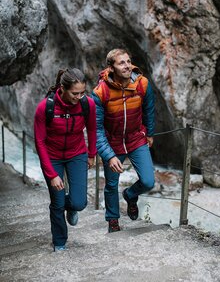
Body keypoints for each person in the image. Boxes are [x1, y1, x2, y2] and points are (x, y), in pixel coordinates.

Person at [92, 49, 155, 232]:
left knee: (149, 181)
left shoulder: (142, 84)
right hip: (113, 143)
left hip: (136, 138)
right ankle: (113, 220)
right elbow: (97, 129)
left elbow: (149, 110)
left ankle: (130, 194)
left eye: (128, 61)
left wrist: (149, 133)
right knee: (111, 184)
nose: (127, 65)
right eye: (121, 63)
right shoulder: (100, 92)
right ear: (111, 67)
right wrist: (109, 156)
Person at [34, 68, 97, 251]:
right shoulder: (45, 107)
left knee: (79, 202)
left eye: (82, 92)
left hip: (77, 154)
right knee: (57, 202)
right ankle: (60, 242)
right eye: (74, 93)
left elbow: (92, 129)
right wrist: (52, 174)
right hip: (52, 157)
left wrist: (91, 154)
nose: (79, 97)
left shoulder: (88, 105)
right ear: (62, 88)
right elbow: (40, 142)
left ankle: (71, 208)